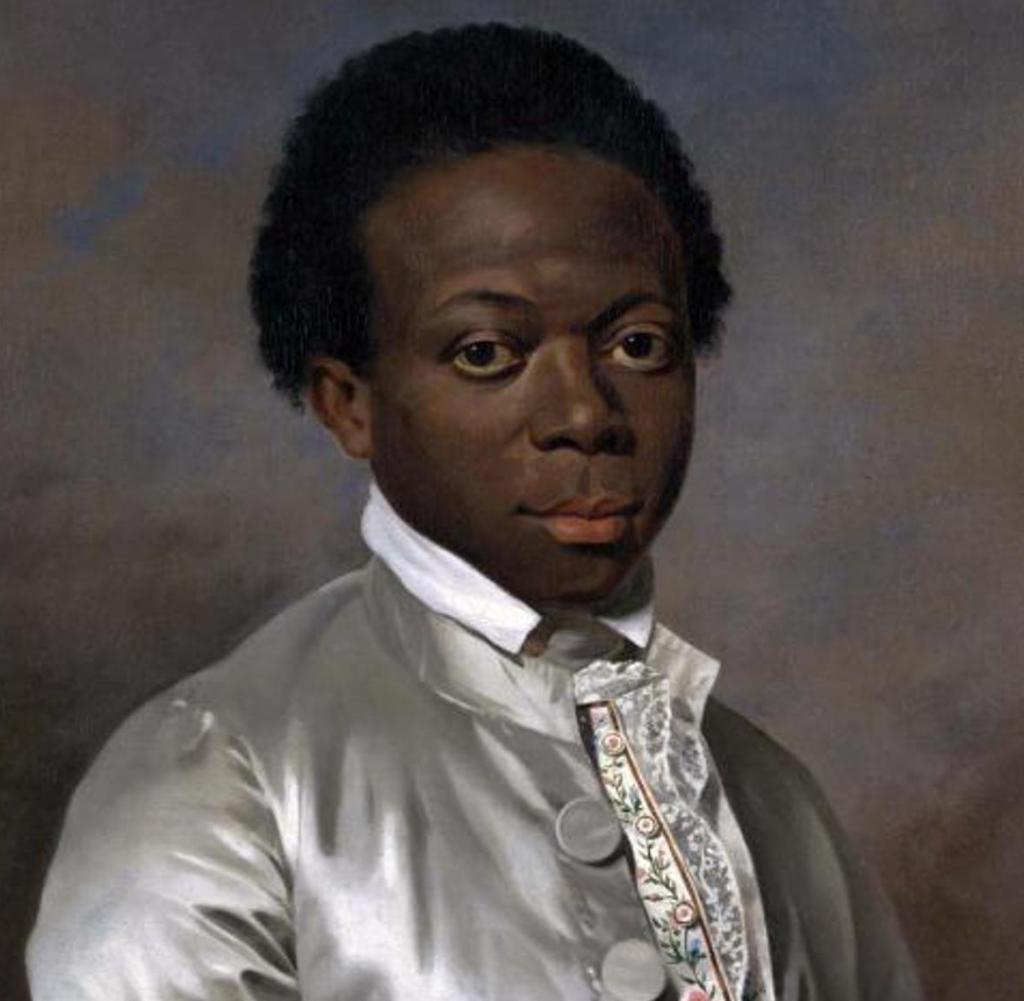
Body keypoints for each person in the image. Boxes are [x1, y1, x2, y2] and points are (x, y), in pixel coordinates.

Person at [27, 23, 922, 1001]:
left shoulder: (776, 804)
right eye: (487, 352)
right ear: (348, 403)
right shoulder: (218, 777)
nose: (585, 414)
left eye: (636, 344)